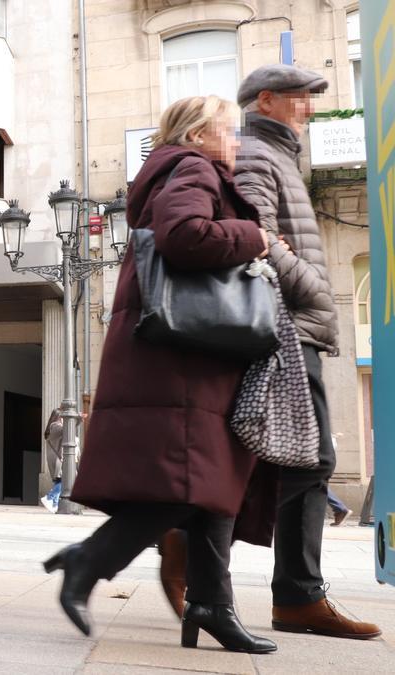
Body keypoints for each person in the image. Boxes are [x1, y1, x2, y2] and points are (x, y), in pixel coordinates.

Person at [44, 95, 277, 653]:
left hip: (190, 356)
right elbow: (186, 236)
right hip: (184, 360)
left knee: (211, 487)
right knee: (186, 485)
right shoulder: (194, 167)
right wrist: (258, 238)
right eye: (228, 130)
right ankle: (88, 562)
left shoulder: (177, 169)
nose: (236, 143)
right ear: (199, 132)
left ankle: (211, 604)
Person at [232, 64, 380, 640]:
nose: (312, 109)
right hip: (287, 327)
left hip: (297, 326)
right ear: (266, 100)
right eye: (302, 99)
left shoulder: (278, 155)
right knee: (311, 459)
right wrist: (317, 288)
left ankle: (293, 593)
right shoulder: (255, 153)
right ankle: (293, 594)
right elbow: (259, 239)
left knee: (297, 460)